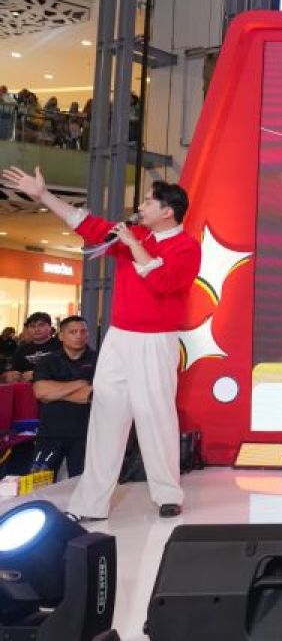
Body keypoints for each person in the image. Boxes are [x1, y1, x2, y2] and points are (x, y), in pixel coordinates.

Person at [1, 166, 201, 520]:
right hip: (119, 337)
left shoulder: (186, 246)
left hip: (156, 340)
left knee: (155, 415)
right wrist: (43, 195)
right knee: (106, 414)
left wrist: (133, 244)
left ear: (167, 212)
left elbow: (164, 281)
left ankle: (167, 494)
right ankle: (91, 503)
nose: (141, 206)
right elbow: (85, 223)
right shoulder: (133, 234)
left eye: (148, 201)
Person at [31, 316, 96, 479]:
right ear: (61, 336)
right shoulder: (47, 361)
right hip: (50, 433)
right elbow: (40, 392)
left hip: (86, 434)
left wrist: (54, 393)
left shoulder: (99, 360)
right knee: (40, 483)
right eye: (73, 332)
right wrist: (79, 383)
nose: (79, 335)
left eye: (83, 331)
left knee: (82, 483)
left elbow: (91, 395)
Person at [2, 312, 61, 383]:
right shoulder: (21, 349)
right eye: (32, 326)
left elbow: (68, 371)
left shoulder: (61, 346)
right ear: (28, 329)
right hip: (25, 387)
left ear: (50, 327)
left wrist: (38, 374)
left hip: (54, 387)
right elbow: (14, 370)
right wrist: (10, 376)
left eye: (41, 325)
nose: (36, 329)